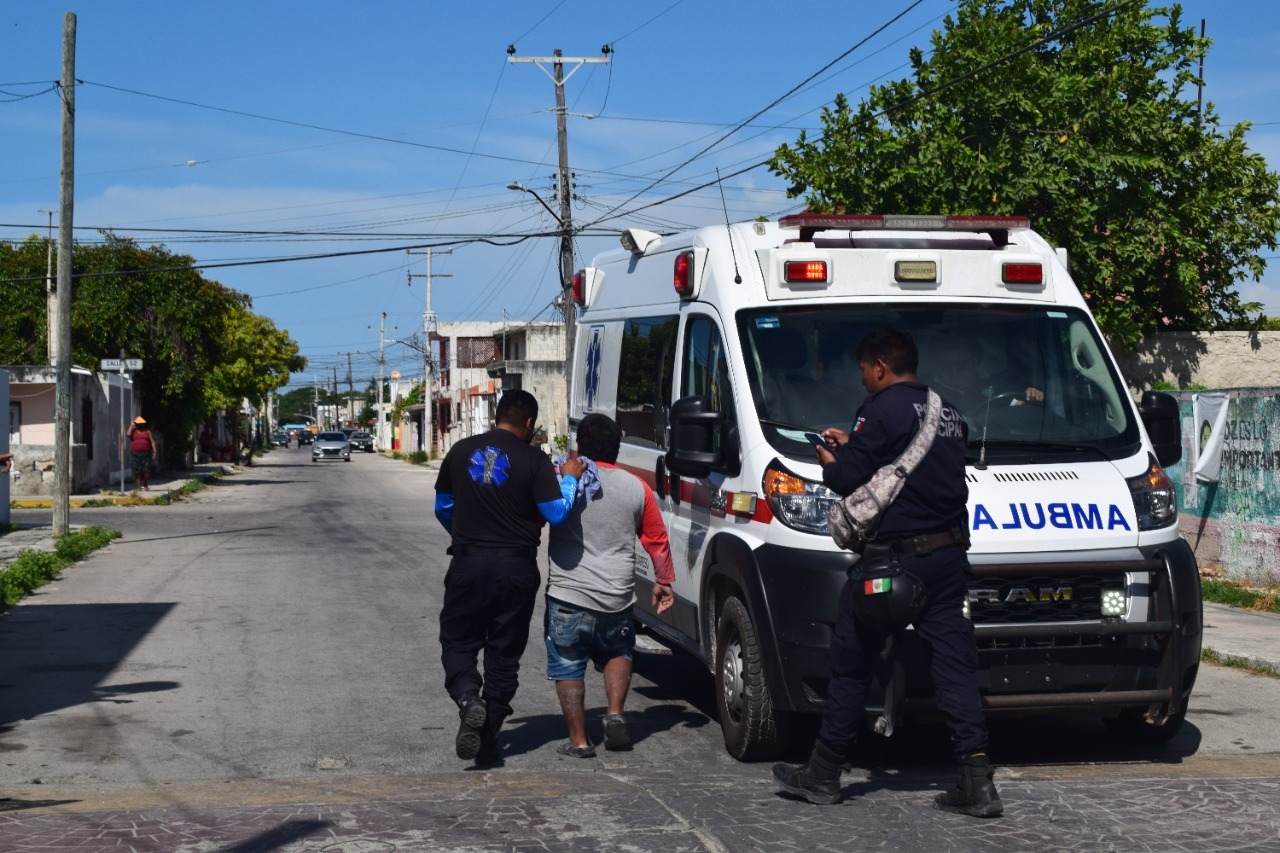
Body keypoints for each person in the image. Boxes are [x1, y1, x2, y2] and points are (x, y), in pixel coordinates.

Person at [772, 327, 1003, 818]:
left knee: (851, 661)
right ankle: (977, 780)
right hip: (946, 560)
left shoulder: (878, 411)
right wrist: (854, 442)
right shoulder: (950, 413)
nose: (863, 381)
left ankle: (823, 773)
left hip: (892, 565)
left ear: (879, 366)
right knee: (955, 666)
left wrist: (830, 457)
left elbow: (847, 477)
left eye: (864, 371)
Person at [433, 389, 586, 766]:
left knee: (458, 642)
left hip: (468, 563)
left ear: (495, 416)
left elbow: (443, 507)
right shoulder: (534, 460)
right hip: (517, 568)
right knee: (504, 653)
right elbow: (556, 514)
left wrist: (465, 533)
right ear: (530, 423)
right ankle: (489, 735)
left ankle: (469, 698)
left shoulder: (459, 451)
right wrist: (568, 479)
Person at [544, 413, 675, 758]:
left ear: (579, 444)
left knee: (569, 662)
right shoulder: (637, 487)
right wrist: (664, 581)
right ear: (618, 448)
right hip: (617, 596)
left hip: (568, 592)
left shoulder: (565, 477)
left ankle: (579, 741)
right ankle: (615, 713)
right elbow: (656, 538)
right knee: (619, 652)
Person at [930, 334, 1042, 419]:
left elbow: (1022, 409)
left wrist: (1031, 396)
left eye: (960, 365)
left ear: (975, 360)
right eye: (945, 366)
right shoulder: (926, 390)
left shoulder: (1000, 384)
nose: (953, 372)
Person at [126, 416, 158, 491]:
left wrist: (155, 452)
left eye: (142, 424)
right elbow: (128, 434)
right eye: (138, 424)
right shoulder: (133, 431)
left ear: (143, 424)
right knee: (138, 471)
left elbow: (152, 442)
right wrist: (131, 425)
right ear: (136, 424)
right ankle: (138, 487)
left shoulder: (147, 432)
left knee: (146, 470)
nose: (140, 425)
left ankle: (145, 483)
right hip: (135, 454)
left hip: (146, 453)